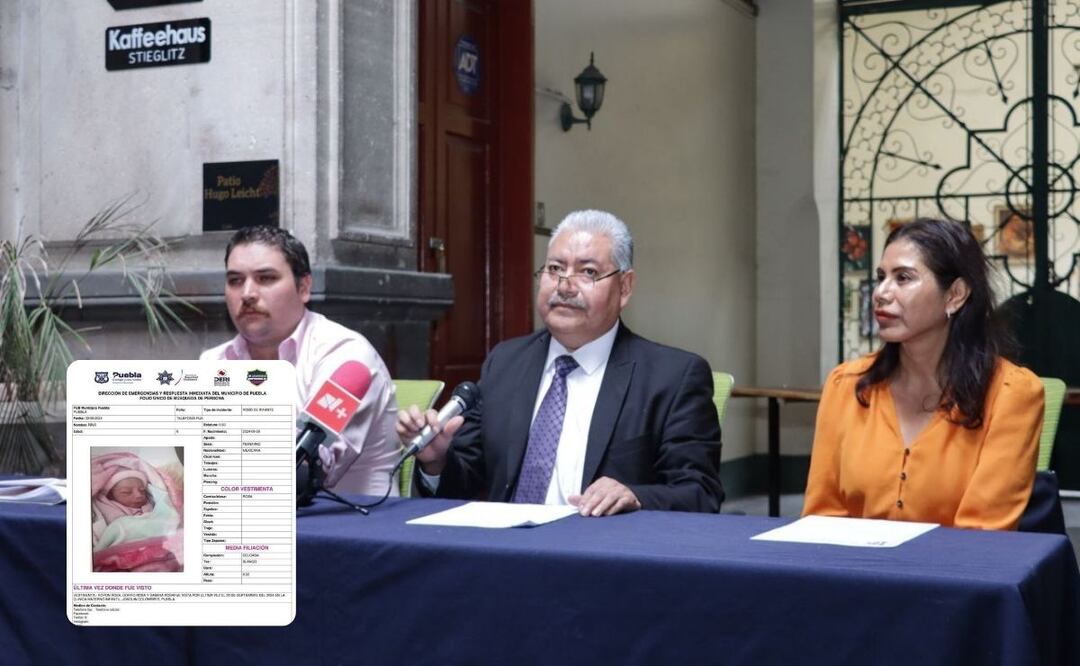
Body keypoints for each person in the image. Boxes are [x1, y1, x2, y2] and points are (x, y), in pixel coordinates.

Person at [398, 209, 723, 515]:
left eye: (588, 272)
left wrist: (636, 496)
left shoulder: (672, 377)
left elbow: (700, 492)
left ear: (624, 288)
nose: (565, 285)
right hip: (503, 553)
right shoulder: (506, 362)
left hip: (601, 560)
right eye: (555, 269)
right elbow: (467, 484)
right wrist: (437, 461)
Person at [803, 218, 1043, 530]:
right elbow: (822, 517)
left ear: (955, 295)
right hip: (855, 572)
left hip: (957, 575)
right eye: (881, 277)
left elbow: (984, 533)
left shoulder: (1012, 393)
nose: (881, 293)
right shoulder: (845, 384)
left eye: (903, 278)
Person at [201, 226, 399, 495]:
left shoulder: (346, 356)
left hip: (345, 529)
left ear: (304, 287)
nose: (247, 293)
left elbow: (308, 468)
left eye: (266, 278)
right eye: (235, 281)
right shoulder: (214, 361)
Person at [91, 451, 184, 572]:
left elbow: (163, 518)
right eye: (126, 492)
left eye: (142, 490)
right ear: (111, 495)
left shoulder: (150, 504)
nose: (138, 495)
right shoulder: (106, 507)